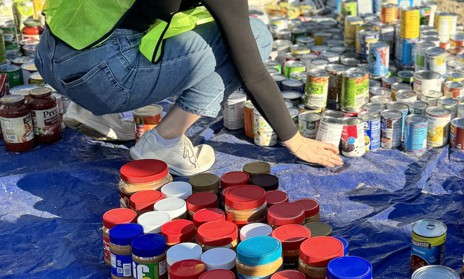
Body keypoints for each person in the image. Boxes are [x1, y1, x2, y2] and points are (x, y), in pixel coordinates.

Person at [36, 0, 343, 176]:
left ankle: (93, 111)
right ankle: (163, 142)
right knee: (256, 34)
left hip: (51, 58)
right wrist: (296, 140)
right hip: (104, 78)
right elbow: (253, 74)